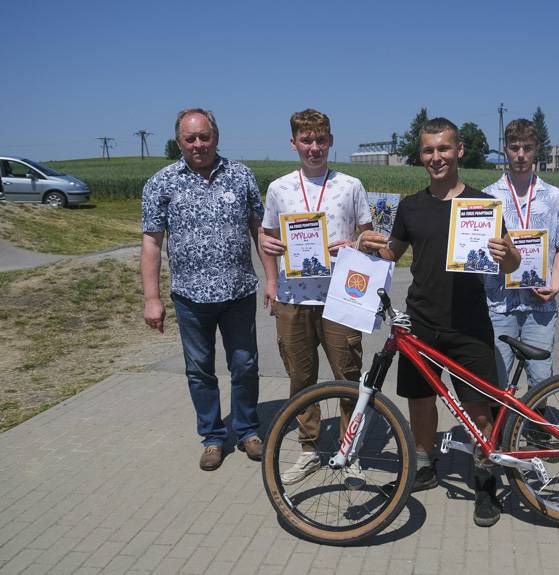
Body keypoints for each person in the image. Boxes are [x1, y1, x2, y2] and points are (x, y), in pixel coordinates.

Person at [359, 118, 521, 527]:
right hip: (420, 322)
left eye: (443, 149)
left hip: (469, 324)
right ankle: (427, 464)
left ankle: (485, 481)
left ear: (459, 150)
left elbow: (513, 261)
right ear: (421, 155)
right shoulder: (411, 206)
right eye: (429, 150)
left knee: (477, 408)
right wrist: (365, 244)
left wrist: (509, 257)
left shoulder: (482, 205)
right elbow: (392, 252)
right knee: (420, 400)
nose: (436, 157)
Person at [141, 108, 266, 471]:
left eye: (204, 136)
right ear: (179, 141)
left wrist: (272, 278)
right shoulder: (161, 183)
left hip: (239, 293)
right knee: (199, 371)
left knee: (245, 365)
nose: (198, 144)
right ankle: (213, 437)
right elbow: (151, 243)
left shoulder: (241, 176)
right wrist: (152, 298)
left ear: (216, 136)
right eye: (189, 138)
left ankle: (247, 431)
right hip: (190, 298)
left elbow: (260, 230)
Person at [257, 109, 372, 485]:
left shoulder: (350, 185)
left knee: (348, 376)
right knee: (300, 378)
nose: (314, 147)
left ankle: (348, 449)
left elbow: (369, 239)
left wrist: (353, 244)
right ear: (294, 143)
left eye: (320, 140)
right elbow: (266, 238)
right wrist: (271, 280)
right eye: (306, 140)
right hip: (292, 297)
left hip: (342, 296)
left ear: (331, 141)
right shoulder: (278, 188)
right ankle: (309, 449)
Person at [482, 119, 559, 393]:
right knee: (497, 379)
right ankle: (497, 434)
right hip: (499, 303)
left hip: (540, 303)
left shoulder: (554, 197)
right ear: (505, 150)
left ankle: (538, 432)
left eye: (527, 148)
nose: (520, 155)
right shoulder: (488, 196)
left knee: (541, 378)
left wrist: (555, 285)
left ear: (537, 151)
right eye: (514, 148)